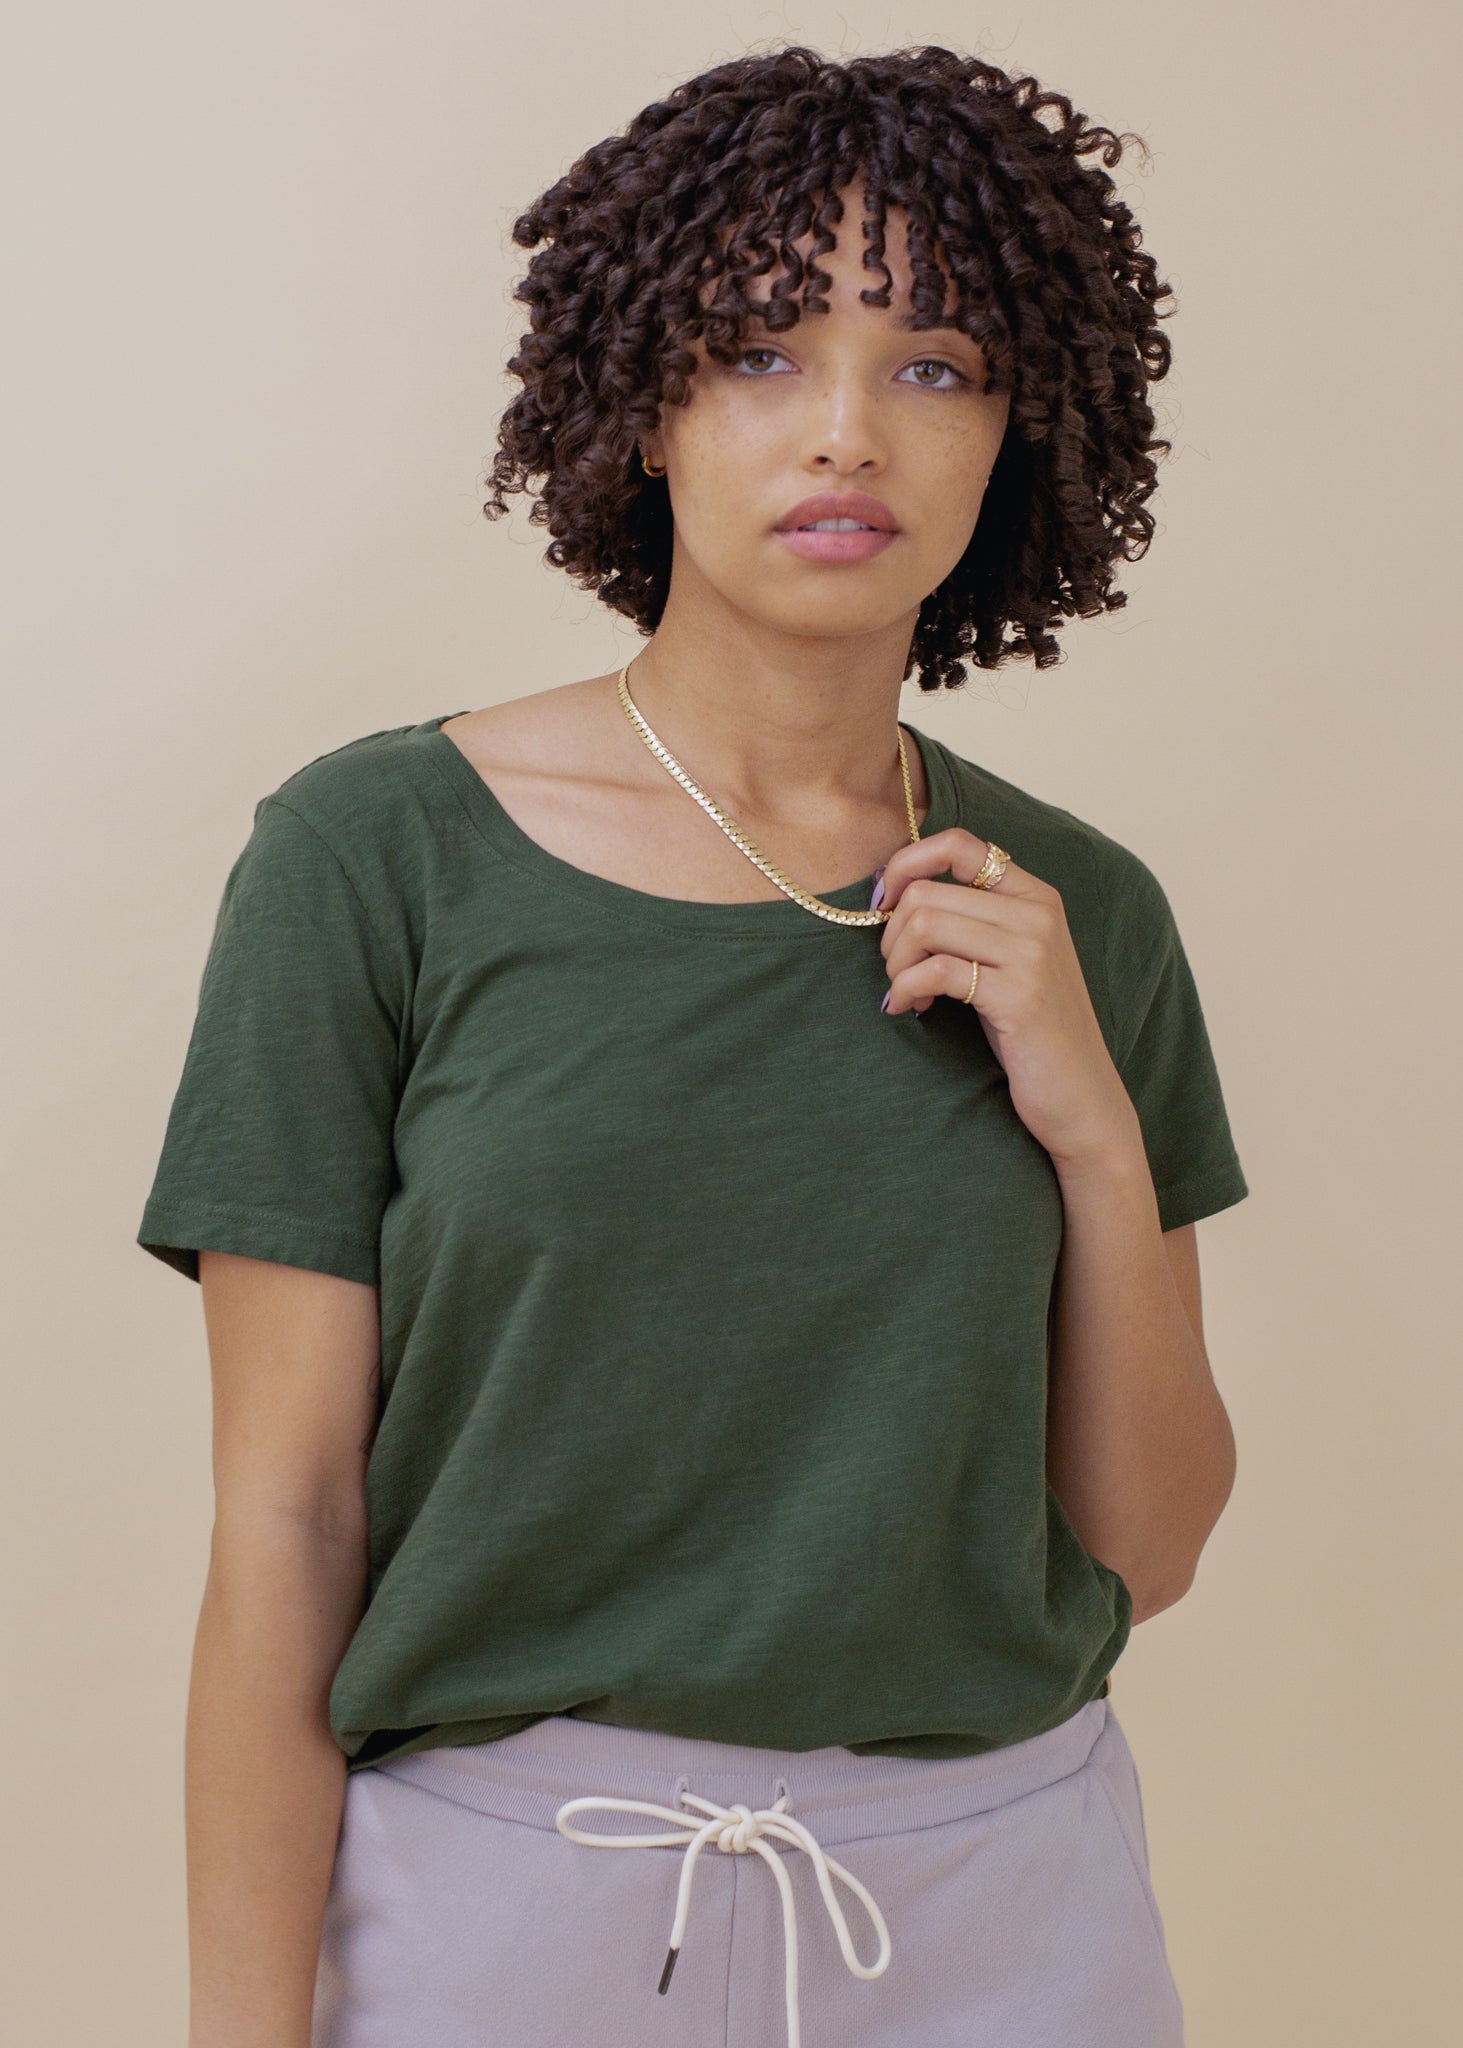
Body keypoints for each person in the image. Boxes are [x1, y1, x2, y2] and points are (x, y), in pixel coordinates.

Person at [137, 42, 1249, 2048]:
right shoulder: (372, 858)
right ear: (639, 403)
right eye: (757, 351)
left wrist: (1091, 1128)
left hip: (1009, 1914)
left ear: (1020, 429)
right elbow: (287, 1520)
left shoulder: (1076, 913)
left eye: (935, 363)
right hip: (500, 1905)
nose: (846, 432)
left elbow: (1147, 1547)